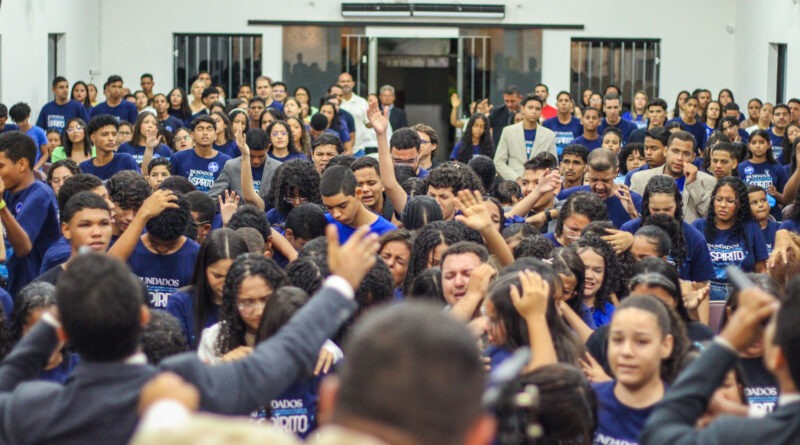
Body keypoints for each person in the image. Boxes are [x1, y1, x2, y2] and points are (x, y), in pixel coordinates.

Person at [0, 220, 379, 445]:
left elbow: (7, 380)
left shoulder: (34, 408)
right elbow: (284, 353)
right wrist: (340, 284)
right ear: (144, 318)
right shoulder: (186, 386)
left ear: (66, 333)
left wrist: (52, 323)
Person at [641, 275, 798, 444]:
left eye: (766, 324)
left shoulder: (726, 432)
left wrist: (727, 343)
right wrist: (747, 413)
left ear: (778, 357)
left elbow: (660, 433)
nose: (759, 332)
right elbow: (784, 425)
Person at [592, 295, 684, 445]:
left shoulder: (681, 418)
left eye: (642, 341)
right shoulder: (588, 402)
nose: (626, 351)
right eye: (617, 340)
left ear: (666, 345)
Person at [166, 229, 249, 349]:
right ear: (203, 270)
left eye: (234, 275)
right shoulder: (181, 303)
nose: (226, 283)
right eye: (218, 276)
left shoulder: (253, 303)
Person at [0, 130, 60, 294]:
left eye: (1, 166)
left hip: (35, 290)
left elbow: (23, 247)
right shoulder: (8, 192)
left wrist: (1, 205)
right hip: (12, 284)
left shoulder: (40, 194)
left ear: (22, 164)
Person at [692, 176, 768, 301]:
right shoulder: (698, 226)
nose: (723, 205)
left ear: (740, 204)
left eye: (730, 201)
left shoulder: (751, 227)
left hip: (742, 293)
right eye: (719, 199)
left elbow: (761, 270)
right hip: (705, 292)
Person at [126, 194, 200, 309]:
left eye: (170, 246)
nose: (161, 249)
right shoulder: (127, 250)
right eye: (154, 244)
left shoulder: (197, 255)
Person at [630, 130, 715, 223]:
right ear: (665, 151)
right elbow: (634, 216)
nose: (679, 158)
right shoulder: (640, 179)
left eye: (686, 153)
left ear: (693, 157)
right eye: (675, 151)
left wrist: (694, 183)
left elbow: (709, 216)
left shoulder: (707, 181)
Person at [35, 191, 113, 285]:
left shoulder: (125, 284)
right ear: (66, 230)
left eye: (104, 224)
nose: (97, 233)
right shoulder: (46, 287)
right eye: (85, 225)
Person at [558, 148, 642, 228]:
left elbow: (644, 233)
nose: (599, 186)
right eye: (594, 180)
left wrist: (633, 214)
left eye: (605, 180)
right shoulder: (574, 195)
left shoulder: (633, 200)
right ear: (587, 171)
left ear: (616, 173)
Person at [320, 165, 396, 244]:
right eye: (329, 208)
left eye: (342, 206)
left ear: (359, 193)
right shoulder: (323, 223)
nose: (336, 214)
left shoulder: (387, 233)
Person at [494, 94, 557, 181]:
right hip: (513, 182)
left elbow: (553, 164)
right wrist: (516, 178)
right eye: (530, 108)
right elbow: (498, 161)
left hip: (539, 183)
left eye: (537, 109)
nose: (534, 111)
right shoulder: (508, 131)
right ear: (522, 109)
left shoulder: (549, 135)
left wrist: (541, 179)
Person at [210, 128, 281, 205]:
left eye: (261, 156)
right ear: (244, 147)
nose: (256, 161)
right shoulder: (231, 166)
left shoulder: (278, 168)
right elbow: (212, 197)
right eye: (251, 156)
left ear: (268, 147)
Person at [167, 116, 232, 192]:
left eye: (209, 129)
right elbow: (169, 188)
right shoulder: (178, 158)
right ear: (192, 135)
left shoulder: (226, 162)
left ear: (215, 135)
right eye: (200, 129)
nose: (205, 133)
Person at [738, 129, 789, 219]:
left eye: (761, 142)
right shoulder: (740, 168)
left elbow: (786, 200)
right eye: (754, 143)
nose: (758, 146)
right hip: (747, 216)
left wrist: (776, 194)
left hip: (773, 216)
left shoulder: (778, 168)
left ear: (768, 145)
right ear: (749, 146)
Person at [80, 115, 141, 180]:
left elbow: (140, 184)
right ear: (93, 137)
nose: (111, 138)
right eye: (105, 134)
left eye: (114, 134)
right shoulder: (84, 168)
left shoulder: (126, 161)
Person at [8, 102, 49, 170]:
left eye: (22, 120)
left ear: (28, 116)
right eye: (17, 121)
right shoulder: (13, 132)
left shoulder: (39, 132)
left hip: (34, 169)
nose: (20, 124)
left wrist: (36, 168)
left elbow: (45, 154)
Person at [543, 91, 583, 159]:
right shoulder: (547, 123)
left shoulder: (579, 123)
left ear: (571, 105)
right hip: (552, 161)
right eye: (560, 101)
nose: (563, 103)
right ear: (556, 104)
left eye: (566, 101)